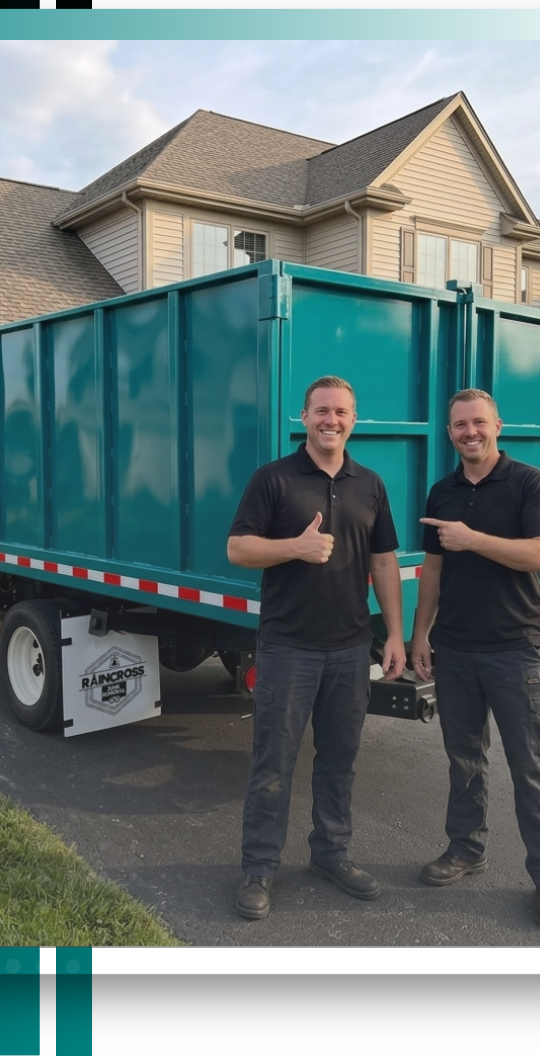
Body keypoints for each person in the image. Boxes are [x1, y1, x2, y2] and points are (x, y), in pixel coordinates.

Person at [226, 376, 406, 920]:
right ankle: (258, 869)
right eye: (322, 411)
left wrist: (393, 633)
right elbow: (238, 549)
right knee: (273, 762)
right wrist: (296, 547)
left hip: (351, 649)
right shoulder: (273, 479)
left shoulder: (369, 484)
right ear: (303, 417)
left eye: (342, 412)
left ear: (355, 419)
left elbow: (383, 562)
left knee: (340, 760)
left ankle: (331, 854)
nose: (332, 420)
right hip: (287, 648)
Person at [410, 388, 540, 929]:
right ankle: (465, 849)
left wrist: (473, 539)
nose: (469, 432)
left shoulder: (528, 482)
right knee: (464, 760)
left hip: (514, 650)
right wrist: (420, 636)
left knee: (532, 769)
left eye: (478, 422)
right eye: (459, 425)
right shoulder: (442, 492)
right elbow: (432, 571)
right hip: (454, 650)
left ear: (498, 425)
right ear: (449, 432)